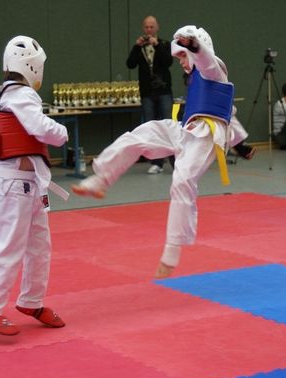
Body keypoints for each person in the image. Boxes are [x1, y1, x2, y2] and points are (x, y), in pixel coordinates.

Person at [72, 25, 247, 278]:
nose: (182, 62)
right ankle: (102, 178)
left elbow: (206, 61)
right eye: (179, 57)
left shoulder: (213, 69)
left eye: (184, 56)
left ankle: (171, 252)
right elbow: (230, 113)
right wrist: (243, 145)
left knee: (182, 180)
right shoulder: (197, 77)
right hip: (185, 128)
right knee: (140, 135)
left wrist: (194, 46)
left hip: (205, 136)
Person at [0, 35, 69, 336]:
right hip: (13, 186)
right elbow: (40, 128)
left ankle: (31, 301)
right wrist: (62, 132)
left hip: (27, 185)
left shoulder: (9, 94)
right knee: (10, 248)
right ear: (32, 67)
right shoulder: (20, 94)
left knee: (39, 248)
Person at [126, 15, 175, 174]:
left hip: (164, 91)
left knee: (168, 126)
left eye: (151, 27)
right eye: (146, 27)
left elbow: (168, 62)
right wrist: (136, 47)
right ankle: (157, 162)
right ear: (143, 28)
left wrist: (157, 45)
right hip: (147, 93)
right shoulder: (139, 47)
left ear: (157, 28)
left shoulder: (165, 44)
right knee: (152, 128)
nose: (149, 30)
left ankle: (176, 162)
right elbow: (130, 64)